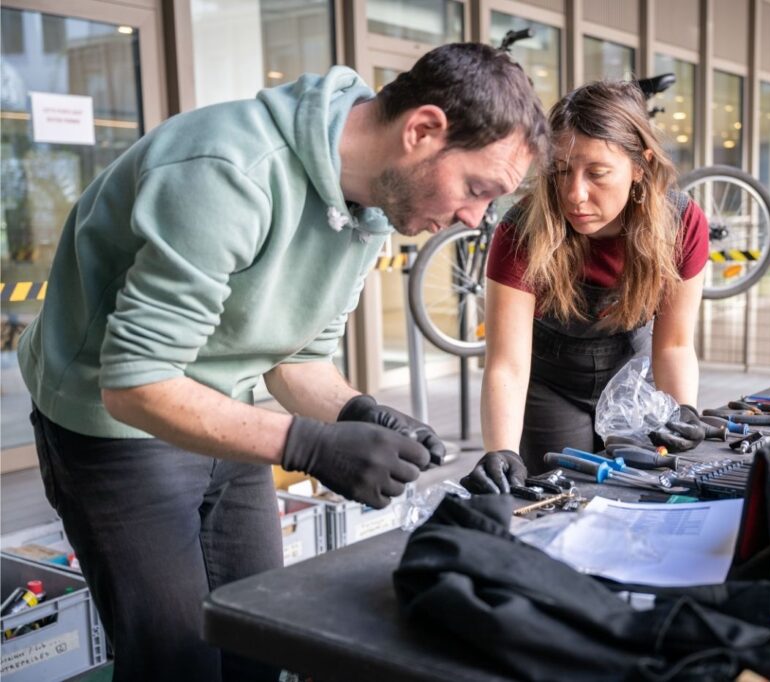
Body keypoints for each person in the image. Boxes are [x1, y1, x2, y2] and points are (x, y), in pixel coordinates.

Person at [17, 43, 547, 680]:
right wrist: (311, 446)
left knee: (262, 634)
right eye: (476, 189)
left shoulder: (374, 204)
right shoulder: (228, 171)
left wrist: (359, 413)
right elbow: (135, 383)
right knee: (178, 663)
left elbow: (299, 358)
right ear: (422, 130)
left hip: (225, 406)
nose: (473, 217)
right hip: (114, 424)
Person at [461, 80, 709, 494]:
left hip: (633, 380)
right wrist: (501, 450)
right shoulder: (520, 231)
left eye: (597, 173)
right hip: (551, 384)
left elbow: (674, 345)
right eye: (560, 171)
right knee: (560, 498)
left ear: (640, 166)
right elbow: (507, 363)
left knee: (644, 492)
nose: (574, 194)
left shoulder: (681, 223)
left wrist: (682, 410)